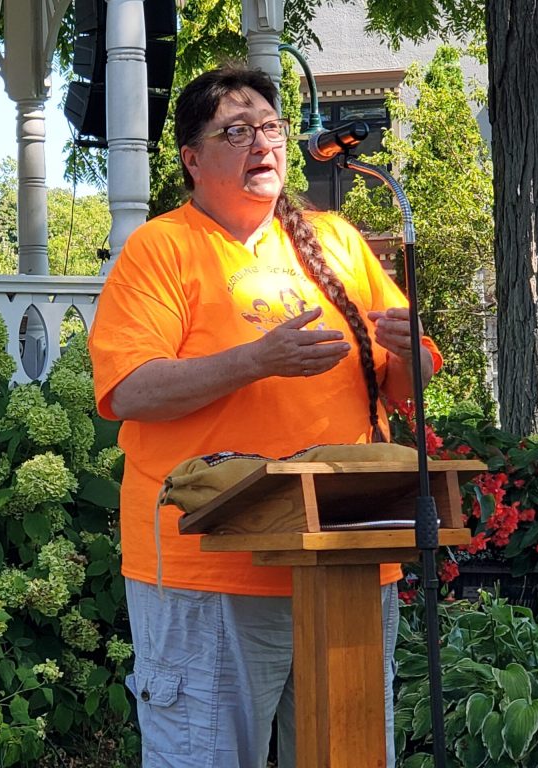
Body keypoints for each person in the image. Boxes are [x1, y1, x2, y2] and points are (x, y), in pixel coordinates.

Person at [88, 65, 441, 768]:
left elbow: (407, 385)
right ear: (192, 158)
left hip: (345, 558)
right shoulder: (162, 247)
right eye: (236, 131)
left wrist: (410, 354)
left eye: (272, 128)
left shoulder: (336, 241)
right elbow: (130, 390)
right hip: (209, 565)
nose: (263, 144)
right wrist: (257, 359)